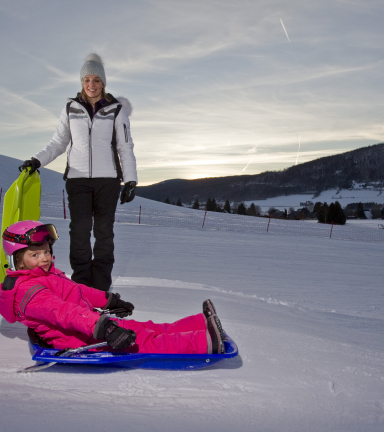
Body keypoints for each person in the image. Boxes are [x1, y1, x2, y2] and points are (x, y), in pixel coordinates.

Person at [0, 221, 225, 354]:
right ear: (17, 260)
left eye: (47, 251)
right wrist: (105, 329)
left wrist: (109, 301)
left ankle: (200, 323)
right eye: (35, 254)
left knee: (143, 327)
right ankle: (204, 343)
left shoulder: (47, 276)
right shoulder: (28, 292)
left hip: (91, 325)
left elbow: (79, 292)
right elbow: (65, 313)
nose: (45, 258)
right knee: (143, 342)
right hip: (80, 337)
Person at [18, 53, 137, 292]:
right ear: (81, 82)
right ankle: (81, 283)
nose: (91, 84)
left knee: (104, 232)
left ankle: (101, 285)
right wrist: (37, 160)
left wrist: (131, 179)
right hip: (78, 179)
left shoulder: (116, 110)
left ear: (103, 83)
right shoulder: (70, 108)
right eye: (87, 80)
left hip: (108, 181)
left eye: (96, 80)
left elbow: (125, 146)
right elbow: (58, 142)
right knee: (80, 231)